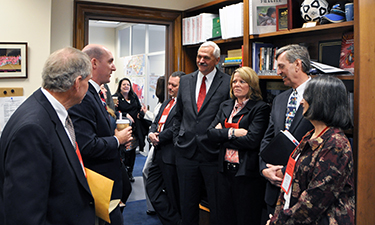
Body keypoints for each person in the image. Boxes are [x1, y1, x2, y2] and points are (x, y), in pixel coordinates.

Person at [0, 47, 95, 225]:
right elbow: (25, 215)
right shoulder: (33, 130)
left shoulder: (47, 110)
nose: (88, 87)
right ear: (77, 82)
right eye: (88, 81)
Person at [267, 76, 355, 225]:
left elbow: (313, 201)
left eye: (306, 97)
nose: (301, 101)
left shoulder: (335, 145)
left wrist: (279, 222)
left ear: (320, 102)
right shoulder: (310, 135)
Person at [68, 44, 133, 225]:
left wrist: (117, 139)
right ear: (94, 63)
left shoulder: (95, 93)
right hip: (99, 185)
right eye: (110, 61)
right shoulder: (84, 95)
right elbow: (86, 145)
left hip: (109, 182)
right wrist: (116, 140)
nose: (114, 67)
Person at [173, 41, 230, 225]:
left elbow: (228, 116)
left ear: (217, 60)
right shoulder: (186, 81)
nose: (201, 60)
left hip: (212, 154)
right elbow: (178, 114)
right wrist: (177, 139)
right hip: (186, 153)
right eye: (199, 56)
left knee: (217, 206)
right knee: (187, 205)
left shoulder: (227, 83)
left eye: (206, 57)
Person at [207, 67, 270, 225]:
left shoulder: (260, 108)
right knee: (225, 217)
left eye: (242, 81)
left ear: (252, 85)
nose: (236, 84)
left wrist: (222, 134)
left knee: (245, 218)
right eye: (234, 81)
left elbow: (252, 140)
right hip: (223, 170)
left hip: (246, 174)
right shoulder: (225, 106)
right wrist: (233, 133)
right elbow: (210, 134)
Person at [259, 44, 314, 216]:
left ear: (297, 65)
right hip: (275, 191)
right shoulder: (280, 99)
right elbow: (267, 139)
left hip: (304, 194)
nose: (278, 72)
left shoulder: (320, 96)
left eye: (281, 66)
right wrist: (264, 169)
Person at [147, 71, 185, 224]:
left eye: (173, 85)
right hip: (158, 152)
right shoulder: (166, 103)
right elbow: (155, 123)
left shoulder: (183, 105)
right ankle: (174, 221)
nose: (169, 87)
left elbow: (177, 127)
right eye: (169, 84)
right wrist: (151, 133)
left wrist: (159, 138)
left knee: (174, 195)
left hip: (171, 156)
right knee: (152, 189)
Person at [113, 77, 150, 182]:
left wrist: (142, 112)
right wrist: (125, 115)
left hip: (135, 129)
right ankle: (123, 172)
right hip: (123, 129)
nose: (126, 86)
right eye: (124, 84)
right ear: (120, 87)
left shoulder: (134, 97)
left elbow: (139, 110)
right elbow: (113, 111)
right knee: (124, 151)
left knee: (132, 151)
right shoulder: (116, 98)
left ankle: (130, 173)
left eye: (128, 85)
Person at [142, 75, 165, 215]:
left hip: (160, 141)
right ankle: (151, 205)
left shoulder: (166, 103)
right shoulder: (161, 103)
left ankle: (153, 205)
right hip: (155, 139)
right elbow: (156, 121)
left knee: (147, 171)